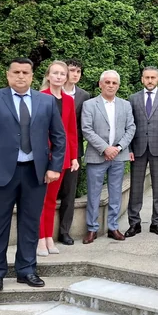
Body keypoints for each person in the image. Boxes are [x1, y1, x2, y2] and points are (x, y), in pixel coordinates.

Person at [0, 58, 66, 292]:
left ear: (32, 76)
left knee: (31, 224)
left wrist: (54, 167)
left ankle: (27, 270)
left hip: (35, 173)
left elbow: (59, 137)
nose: (20, 76)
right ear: (8, 75)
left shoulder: (47, 102)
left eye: (25, 72)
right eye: (16, 72)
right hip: (1, 174)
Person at [81, 70, 136, 244]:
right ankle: (92, 228)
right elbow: (86, 129)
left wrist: (118, 148)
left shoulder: (125, 105)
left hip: (118, 157)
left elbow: (131, 128)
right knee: (94, 194)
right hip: (97, 156)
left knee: (115, 193)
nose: (111, 85)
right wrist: (105, 148)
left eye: (114, 83)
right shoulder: (89, 104)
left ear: (118, 86)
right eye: (107, 82)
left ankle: (113, 227)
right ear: (100, 84)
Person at [125, 67, 158, 237]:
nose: (150, 80)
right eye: (147, 77)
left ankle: (157, 222)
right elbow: (128, 126)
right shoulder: (133, 98)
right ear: (142, 79)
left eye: (153, 77)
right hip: (138, 150)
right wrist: (129, 149)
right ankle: (134, 223)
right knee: (136, 188)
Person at [37, 61, 79, 256]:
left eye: (63, 74)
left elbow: (70, 132)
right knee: (40, 200)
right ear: (48, 76)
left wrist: (73, 157)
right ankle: (39, 239)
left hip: (61, 158)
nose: (59, 77)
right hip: (42, 157)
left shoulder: (69, 100)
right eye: (55, 73)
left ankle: (49, 238)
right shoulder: (39, 97)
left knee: (52, 200)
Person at [58, 59, 90, 245]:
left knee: (69, 193)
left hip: (74, 149)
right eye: (72, 70)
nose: (75, 74)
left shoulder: (84, 96)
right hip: (51, 149)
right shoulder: (53, 92)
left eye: (79, 71)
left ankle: (64, 231)